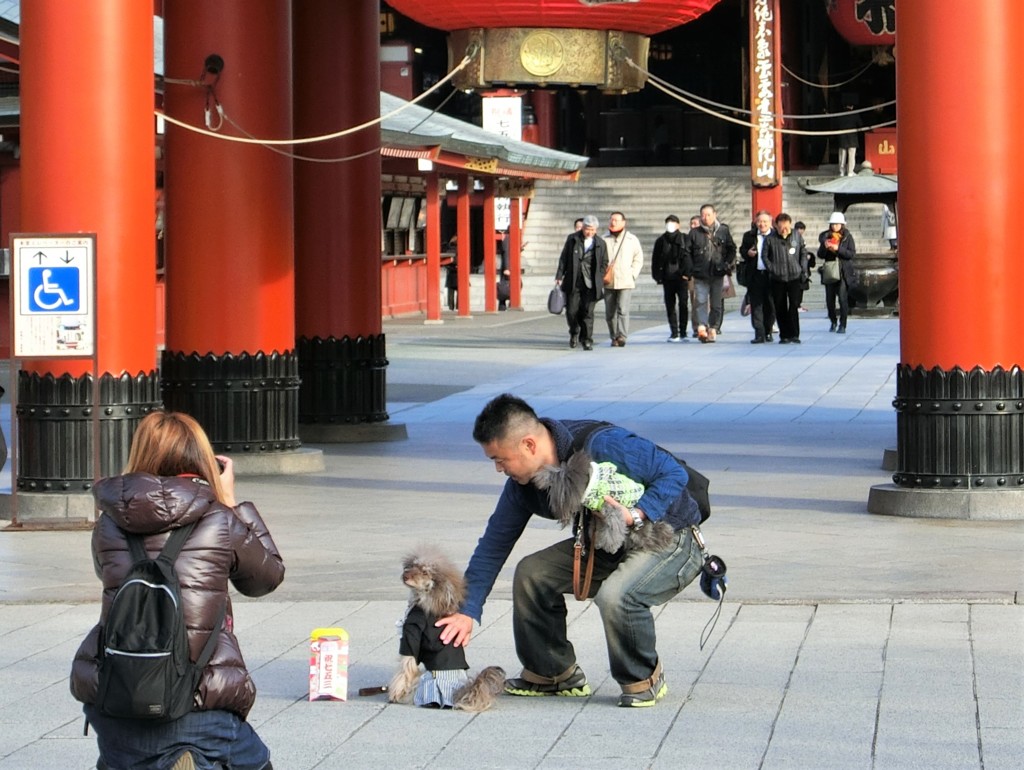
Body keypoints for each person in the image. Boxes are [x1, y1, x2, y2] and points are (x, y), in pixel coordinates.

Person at [436, 394, 705, 708]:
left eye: (500, 459)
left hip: (671, 538)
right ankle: (551, 673)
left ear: (528, 445)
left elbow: (674, 474)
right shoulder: (522, 487)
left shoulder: (603, 445)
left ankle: (644, 677)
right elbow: (493, 545)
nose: (498, 469)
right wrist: (467, 611)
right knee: (532, 573)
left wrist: (636, 514)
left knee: (617, 595)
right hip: (609, 543)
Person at [72, 411, 285, 770]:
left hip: (117, 704)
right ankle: (186, 754)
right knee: (254, 761)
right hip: (200, 707)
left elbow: (105, 572)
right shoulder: (219, 517)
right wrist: (232, 502)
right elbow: (266, 578)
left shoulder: (109, 522)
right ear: (204, 459)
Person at [555, 214, 608, 351]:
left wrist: (600, 277)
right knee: (571, 311)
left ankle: (587, 339)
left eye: (592, 229)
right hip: (574, 280)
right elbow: (564, 258)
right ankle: (574, 332)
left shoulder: (600, 243)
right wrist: (559, 275)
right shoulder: (573, 239)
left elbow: (604, 262)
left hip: (591, 283)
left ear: (596, 230)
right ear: (582, 228)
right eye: (587, 229)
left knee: (587, 312)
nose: (589, 232)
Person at [687, 203, 737, 343]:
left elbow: (732, 249)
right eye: (703, 215)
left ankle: (713, 328)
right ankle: (702, 326)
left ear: (715, 215)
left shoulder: (723, 231)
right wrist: (691, 269)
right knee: (700, 300)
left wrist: (727, 263)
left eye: (708, 214)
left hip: (717, 273)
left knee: (716, 304)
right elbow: (687, 253)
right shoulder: (694, 233)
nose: (705, 217)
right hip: (700, 273)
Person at [764, 213, 808, 344]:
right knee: (780, 306)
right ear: (776, 226)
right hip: (778, 278)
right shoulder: (770, 238)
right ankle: (784, 335)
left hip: (794, 275)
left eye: (786, 227)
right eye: (781, 227)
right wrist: (773, 269)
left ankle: (795, 334)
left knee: (794, 305)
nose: (784, 229)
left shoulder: (796, 235)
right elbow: (765, 257)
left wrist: (802, 268)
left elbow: (803, 252)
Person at [602, 212, 644, 347]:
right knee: (610, 313)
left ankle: (622, 336)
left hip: (625, 281)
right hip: (609, 281)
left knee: (623, 309)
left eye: (616, 220)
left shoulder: (632, 239)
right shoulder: (604, 239)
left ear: (623, 222)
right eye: (612, 219)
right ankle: (613, 335)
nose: (613, 222)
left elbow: (638, 258)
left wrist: (633, 274)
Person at [650, 214, 692, 342]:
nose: (670, 225)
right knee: (670, 305)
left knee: (683, 304)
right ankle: (674, 332)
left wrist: (688, 273)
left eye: (673, 223)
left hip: (682, 277)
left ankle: (683, 331)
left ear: (678, 225)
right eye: (668, 223)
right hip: (667, 277)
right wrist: (657, 276)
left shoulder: (685, 239)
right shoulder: (661, 241)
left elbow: (690, 257)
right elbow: (655, 259)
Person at [738, 211, 776, 344]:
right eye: (760, 221)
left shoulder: (775, 235)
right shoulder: (749, 236)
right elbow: (742, 251)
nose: (762, 224)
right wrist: (747, 253)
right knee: (756, 305)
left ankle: (768, 330)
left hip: (772, 276)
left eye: (765, 221)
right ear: (755, 222)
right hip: (755, 275)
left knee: (770, 306)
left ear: (770, 222)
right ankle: (759, 333)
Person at [818, 211, 857, 333]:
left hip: (843, 272)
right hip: (830, 271)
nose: (835, 226)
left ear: (842, 225)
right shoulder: (825, 236)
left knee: (842, 299)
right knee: (830, 300)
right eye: (833, 224)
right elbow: (820, 254)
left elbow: (851, 254)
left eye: (837, 224)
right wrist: (825, 247)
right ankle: (833, 321)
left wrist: (838, 249)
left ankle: (843, 324)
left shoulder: (847, 237)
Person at [794, 221, 815, 312]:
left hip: (802, 267)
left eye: (802, 229)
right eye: (799, 229)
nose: (800, 231)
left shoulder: (801, 239)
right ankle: (796, 305)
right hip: (796, 267)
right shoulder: (794, 239)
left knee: (800, 288)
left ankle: (798, 305)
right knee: (797, 289)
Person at [686, 215, 702, 338]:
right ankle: (696, 327)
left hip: (705, 273)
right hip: (692, 274)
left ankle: (706, 325)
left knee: (704, 301)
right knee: (694, 300)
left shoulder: (705, 237)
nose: (692, 226)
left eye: (695, 223)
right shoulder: (687, 239)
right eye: (691, 223)